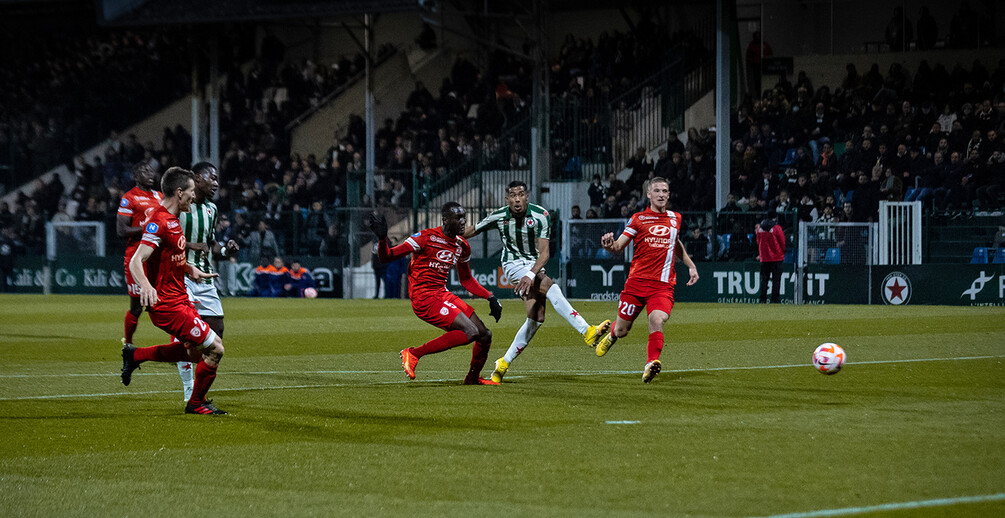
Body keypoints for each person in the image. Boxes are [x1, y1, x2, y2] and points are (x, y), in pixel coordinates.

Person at [464, 181, 611, 383]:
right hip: (512, 265)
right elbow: (472, 230)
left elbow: (544, 254)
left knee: (536, 317)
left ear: (527, 196)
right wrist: (446, 234)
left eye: (521, 194)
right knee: (548, 285)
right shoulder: (499, 216)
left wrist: (531, 274)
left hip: (533, 265)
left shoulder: (540, 215)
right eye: (512, 195)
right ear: (507, 199)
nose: (517, 198)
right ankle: (587, 330)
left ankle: (503, 364)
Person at [120, 167, 227, 415]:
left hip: (180, 297)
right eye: (190, 192)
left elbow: (172, 257)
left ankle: (135, 355)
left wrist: (190, 269)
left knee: (192, 353)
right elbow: (137, 260)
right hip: (168, 304)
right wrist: (146, 286)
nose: (193, 196)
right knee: (216, 348)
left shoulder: (172, 219)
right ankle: (196, 403)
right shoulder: (158, 223)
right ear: (179, 193)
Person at [370, 203, 502, 385]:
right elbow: (387, 257)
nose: (464, 221)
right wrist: (383, 238)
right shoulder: (425, 237)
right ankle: (413, 353)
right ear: (446, 220)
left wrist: (490, 297)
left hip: (442, 293)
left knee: (484, 334)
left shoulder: (462, 245)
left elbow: (466, 280)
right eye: (459, 218)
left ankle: (472, 378)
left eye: (464, 217)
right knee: (470, 331)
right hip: (423, 296)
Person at [595, 177, 699, 383]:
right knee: (623, 330)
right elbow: (618, 246)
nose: (661, 194)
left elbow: (676, 243)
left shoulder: (675, 218)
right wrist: (609, 246)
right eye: (657, 191)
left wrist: (691, 265)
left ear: (669, 195)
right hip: (636, 284)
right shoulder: (638, 219)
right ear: (649, 195)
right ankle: (612, 335)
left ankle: (651, 363)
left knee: (656, 319)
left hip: (662, 286)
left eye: (665, 191)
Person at [116, 162, 191, 398]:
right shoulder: (130, 198)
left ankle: (174, 349)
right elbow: (121, 230)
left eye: (151, 171)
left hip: (161, 258)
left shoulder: (161, 196)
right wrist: (150, 229)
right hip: (137, 257)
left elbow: (167, 225)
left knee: (172, 306)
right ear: (135, 175)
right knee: (137, 306)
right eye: (144, 171)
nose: (149, 174)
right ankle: (128, 344)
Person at [178, 162, 239, 399]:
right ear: (196, 178)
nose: (215, 183)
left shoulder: (212, 210)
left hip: (205, 277)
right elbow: (166, 237)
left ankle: (195, 381)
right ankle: (190, 391)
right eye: (211, 178)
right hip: (180, 276)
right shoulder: (180, 205)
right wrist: (190, 246)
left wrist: (225, 251)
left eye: (216, 179)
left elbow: (211, 244)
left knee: (217, 332)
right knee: (186, 333)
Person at [755, 218, 786, 304]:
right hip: (776, 257)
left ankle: (762, 299)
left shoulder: (759, 229)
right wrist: (782, 252)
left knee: (764, 279)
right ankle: (774, 299)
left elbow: (758, 241)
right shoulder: (777, 228)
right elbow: (782, 241)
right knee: (776, 280)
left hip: (764, 258)